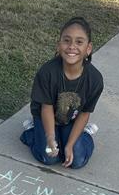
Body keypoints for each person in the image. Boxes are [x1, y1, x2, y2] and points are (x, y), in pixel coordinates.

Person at [20, 16, 103, 169]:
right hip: (46, 116)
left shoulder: (95, 79)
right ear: (59, 45)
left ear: (88, 48)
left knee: (76, 160)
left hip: (71, 119)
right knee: (49, 157)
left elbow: (84, 113)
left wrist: (70, 144)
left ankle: (85, 135)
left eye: (79, 42)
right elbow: (46, 107)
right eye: (66, 40)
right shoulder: (47, 72)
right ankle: (32, 130)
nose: (72, 46)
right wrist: (50, 138)